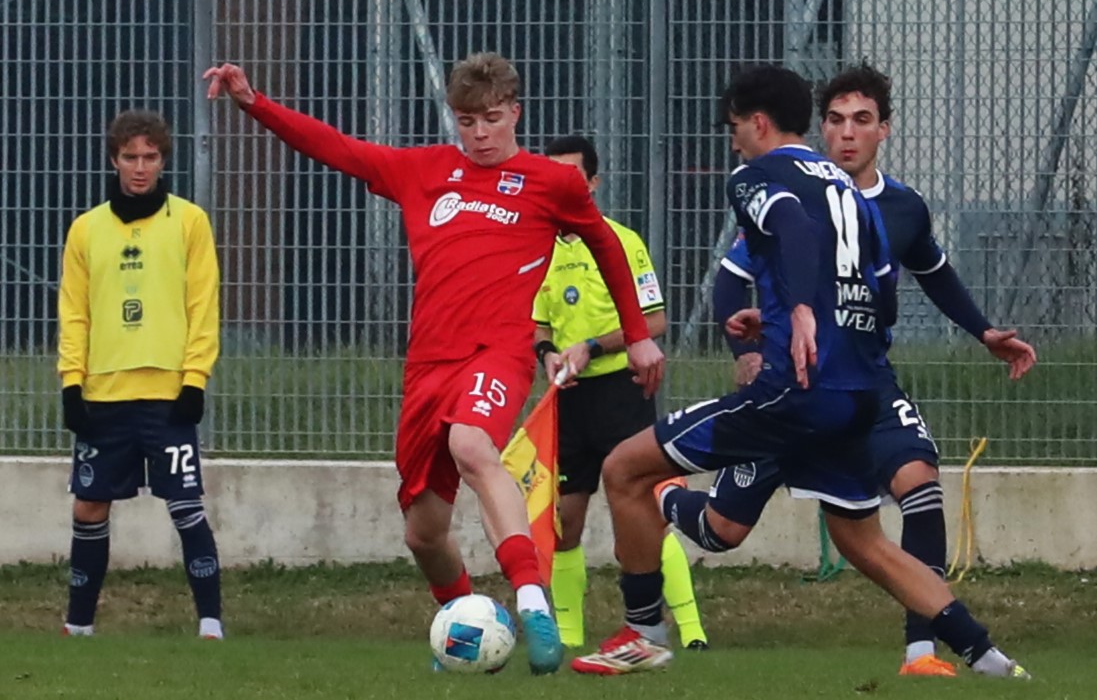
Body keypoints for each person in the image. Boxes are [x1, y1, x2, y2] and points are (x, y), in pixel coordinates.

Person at [203, 53, 664, 674]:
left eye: (491, 119)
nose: (480, 134)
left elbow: (606, 245)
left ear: (515, 113)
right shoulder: (424, 171)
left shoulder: (550, 182)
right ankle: (466, 627)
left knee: (472, 445)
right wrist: (254, 103)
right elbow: (336, 148)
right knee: (423, 533)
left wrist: (637, 336)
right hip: (427, 367)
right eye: (467, 121)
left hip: (497, 353)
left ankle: (533, 602)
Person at [571, 64, 1028, 680]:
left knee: (623, 468)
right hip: (858, 392)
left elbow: (789, 222)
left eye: (734, 127)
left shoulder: (756, 176)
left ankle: (643, 632)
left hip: (795, 390)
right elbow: (882, 293)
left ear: (758, 123)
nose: (733, 141)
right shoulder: (848, 189)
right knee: (862, 541)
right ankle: (992, 662)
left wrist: (803, 311)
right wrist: (786, 316)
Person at [532, 135, 707, 651]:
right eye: (552, 177)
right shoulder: (537, 249)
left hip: (621, 393)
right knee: (564, 520)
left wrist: (591, 345)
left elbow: (654, 322)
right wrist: (548, 354)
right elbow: (536, 325)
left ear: (593, 183)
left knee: (645, 514)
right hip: (568, 398)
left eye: (572, 176)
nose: (562, 187)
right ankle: (567, 637)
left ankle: (691, 632)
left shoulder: (621, 241)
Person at [57, 110, 223, 639]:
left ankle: (211, 625)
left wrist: (194, 378)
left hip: (168, 394)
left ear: (163, 161)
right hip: (104, 395)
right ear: (114, 160)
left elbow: (203, 306)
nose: (140, 167)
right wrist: (71, 383)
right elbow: (74, 313)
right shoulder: (86, 230)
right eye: (130, 157)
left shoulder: (190, 222)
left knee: (185, 505)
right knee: (90, 506)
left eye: (150, 157)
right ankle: (78, 625)